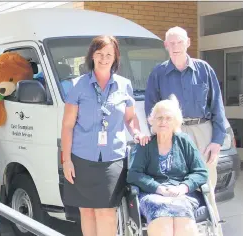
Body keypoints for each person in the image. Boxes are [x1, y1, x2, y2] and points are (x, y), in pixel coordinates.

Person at [61, 35, 149, 236]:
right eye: (99, 53)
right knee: (87, 212)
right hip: (81, 159)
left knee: (107, 213)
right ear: (92, 55)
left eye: (109, 54)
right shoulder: (78, 85)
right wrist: (66, 160)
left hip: (112, 159)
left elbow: (130, 118)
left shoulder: (124, 85)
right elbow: (67, 126)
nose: (104, 58)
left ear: (115, 57)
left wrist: (136, 132)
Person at [144, 26, 226, 234]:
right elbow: (151, 111)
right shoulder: (158, 73)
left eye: (179, 42)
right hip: (174, 134)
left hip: (203, 132)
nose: (176, 47)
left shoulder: (204, 69)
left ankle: (213, 231)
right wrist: (159, 139)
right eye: (171, 43)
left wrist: (217, 141)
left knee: (207, 187)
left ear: (188, 43)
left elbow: (217, 107)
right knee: (177, 188)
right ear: (165, 46)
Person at [127, 95, 208, 236]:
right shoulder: (145, 144)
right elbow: (134, 174)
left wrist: (183, 187)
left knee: (181, 211)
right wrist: (158, 188)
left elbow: (201, 172)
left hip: (182, 194)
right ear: (152, 121)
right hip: (153, 194)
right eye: (159, 118)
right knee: (161, 212)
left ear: (175, 122)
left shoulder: (184, 141)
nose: (163, 122)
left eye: (168, 118)